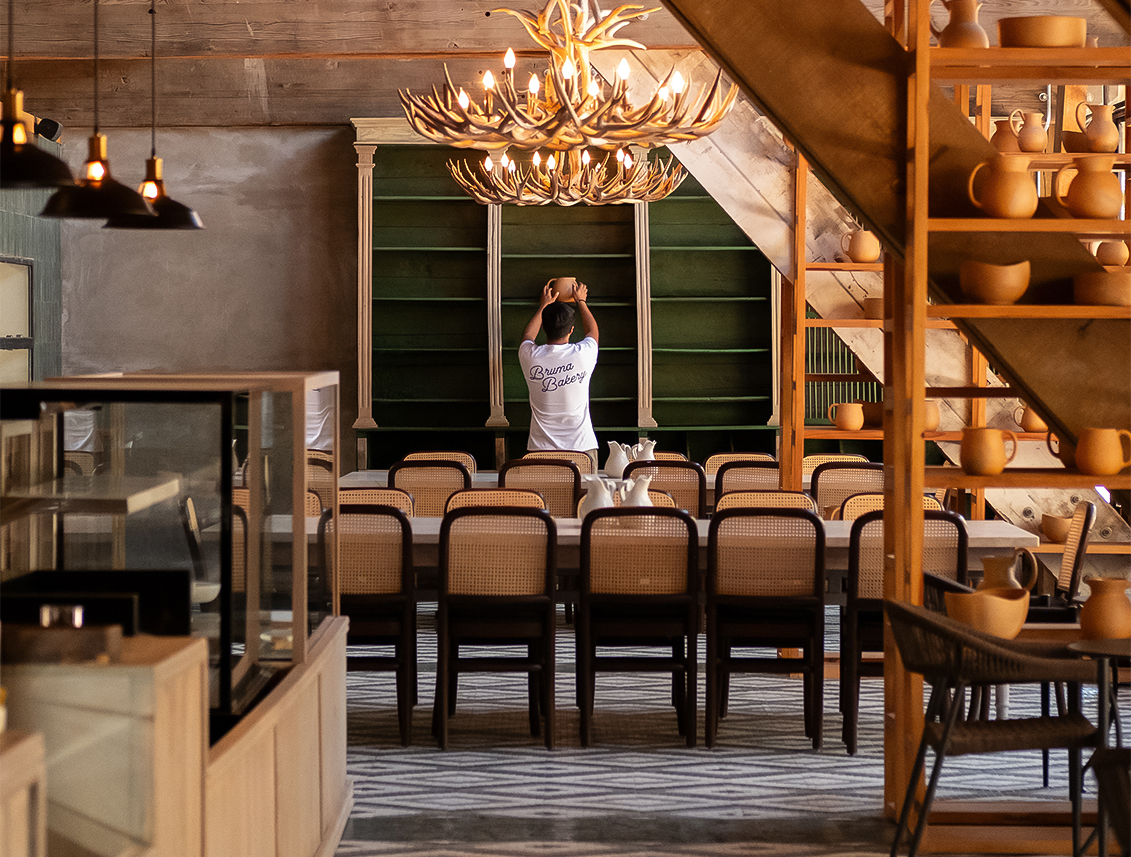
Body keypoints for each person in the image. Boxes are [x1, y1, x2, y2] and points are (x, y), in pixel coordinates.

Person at [519, 277, 600, 467]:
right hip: (581, 449)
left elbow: (528, 336)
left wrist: (543, 306)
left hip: (540, 452)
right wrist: (581, 301)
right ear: (572, 330)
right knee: (584, 498)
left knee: (541, 498)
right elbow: (593, 333)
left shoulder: (530, 356)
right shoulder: (583, 354)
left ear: (544, 329)